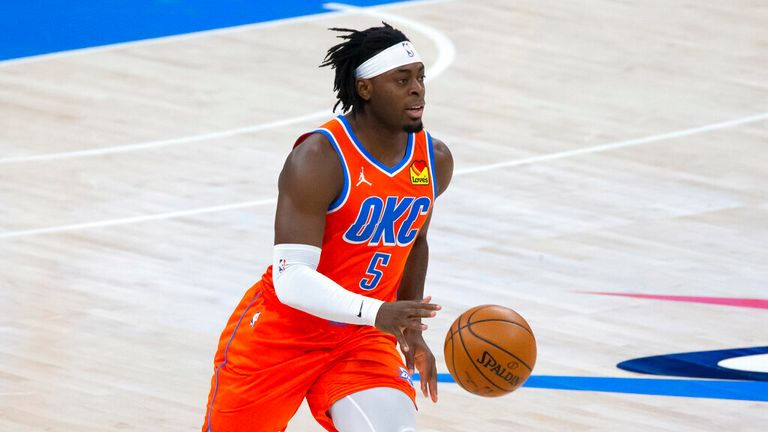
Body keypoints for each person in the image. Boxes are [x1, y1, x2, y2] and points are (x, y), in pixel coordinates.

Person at [202, 22, 454, 432]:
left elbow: (416, 240)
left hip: (361, 336)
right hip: (282, 334)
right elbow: (292, 279)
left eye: (421, 78)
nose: (418, 89)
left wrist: (409, 331)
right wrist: (378, 312)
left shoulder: (434, 159)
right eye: (402, 79)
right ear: (365, 88)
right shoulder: (319, 158)